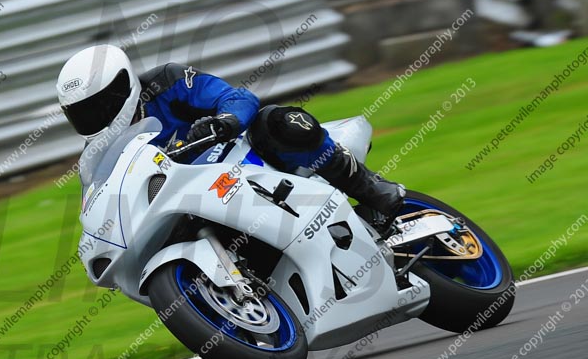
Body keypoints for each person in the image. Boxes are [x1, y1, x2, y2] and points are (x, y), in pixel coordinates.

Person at [56, 44, 404, 230]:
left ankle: (368, 187)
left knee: (276, 120)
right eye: (83, 113)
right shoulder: (100, 151)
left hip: (237, 160)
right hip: (189, 199)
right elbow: (103, 197)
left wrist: (222, 122)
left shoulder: (167, 82)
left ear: (121, 87)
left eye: (98, 106)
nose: (94, 118)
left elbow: (237, 98)